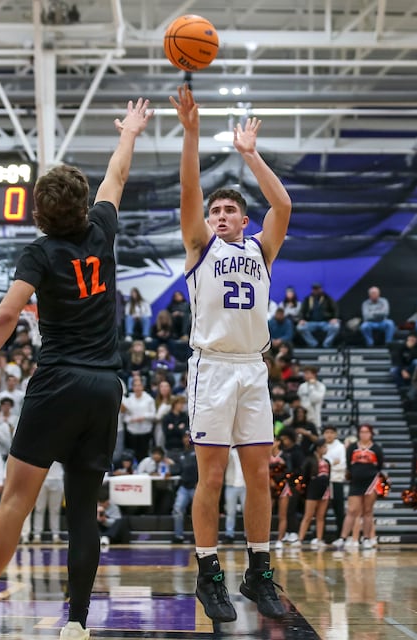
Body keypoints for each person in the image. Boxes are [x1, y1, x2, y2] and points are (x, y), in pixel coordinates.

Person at [0, 96, 152, 640]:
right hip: (105, 386)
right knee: (83, 510)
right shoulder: (103, 228)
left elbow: (8, 314)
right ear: (83, 207)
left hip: (58, 379)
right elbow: (118, 172)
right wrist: (129, 129)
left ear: (40, 211)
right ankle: (78, 624)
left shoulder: (39, 253)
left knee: (16, 498)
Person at [169, 83, 291, 621]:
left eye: (229, 210)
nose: (219, 215)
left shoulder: (262, 249)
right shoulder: (201, 247)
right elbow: (188, 192)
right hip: (212, 368)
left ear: (244, 220)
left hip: (252, 370)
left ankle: (259, 573)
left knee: (260, 477)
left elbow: (283, 204)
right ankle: (208, 573)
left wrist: (250, 154)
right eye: (215, 210)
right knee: (211, 478)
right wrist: (192, 133)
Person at [339, 424, 384, 550]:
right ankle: (342, 538)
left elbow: (380, 465)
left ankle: (366, 539)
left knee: (368, 511)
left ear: (371, 434)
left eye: (366, 432)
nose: (364, 434)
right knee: (352, 510)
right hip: (356, 482)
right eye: (362, 432)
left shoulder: (376, 449)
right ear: (359, 433)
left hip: (371, 482)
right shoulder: (352, 448)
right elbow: (349, 464)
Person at [294, 440, 331, 547]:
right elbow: (304, 475)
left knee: (320, 516)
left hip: (325, 489)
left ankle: (319, 539)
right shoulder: (309, 460)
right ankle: (300, 539)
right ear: (318, 448)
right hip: (313, 488)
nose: (326, 449)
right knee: (308, 515)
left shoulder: (327, 462)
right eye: (324, 447)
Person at [296, 283, 340, 348]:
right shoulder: (307, 299)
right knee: (300, 327)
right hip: (311, 322)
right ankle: (313, 343)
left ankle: (326, 344)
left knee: (336, 326)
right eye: (314, 289)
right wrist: (301, 319)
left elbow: (335, 309)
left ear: (321, 289)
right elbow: (302, 311)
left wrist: (335, 318)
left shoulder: (327, 298)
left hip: (325, 322)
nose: (316, 291)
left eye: (318, 289)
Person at [222, 447, 246, 544]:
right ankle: (229, 534)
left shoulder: (246, 452)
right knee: (230, 511)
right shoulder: (229, 453)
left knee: (247, 512)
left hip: (245, 485)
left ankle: (248, 535)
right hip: (231, 485)